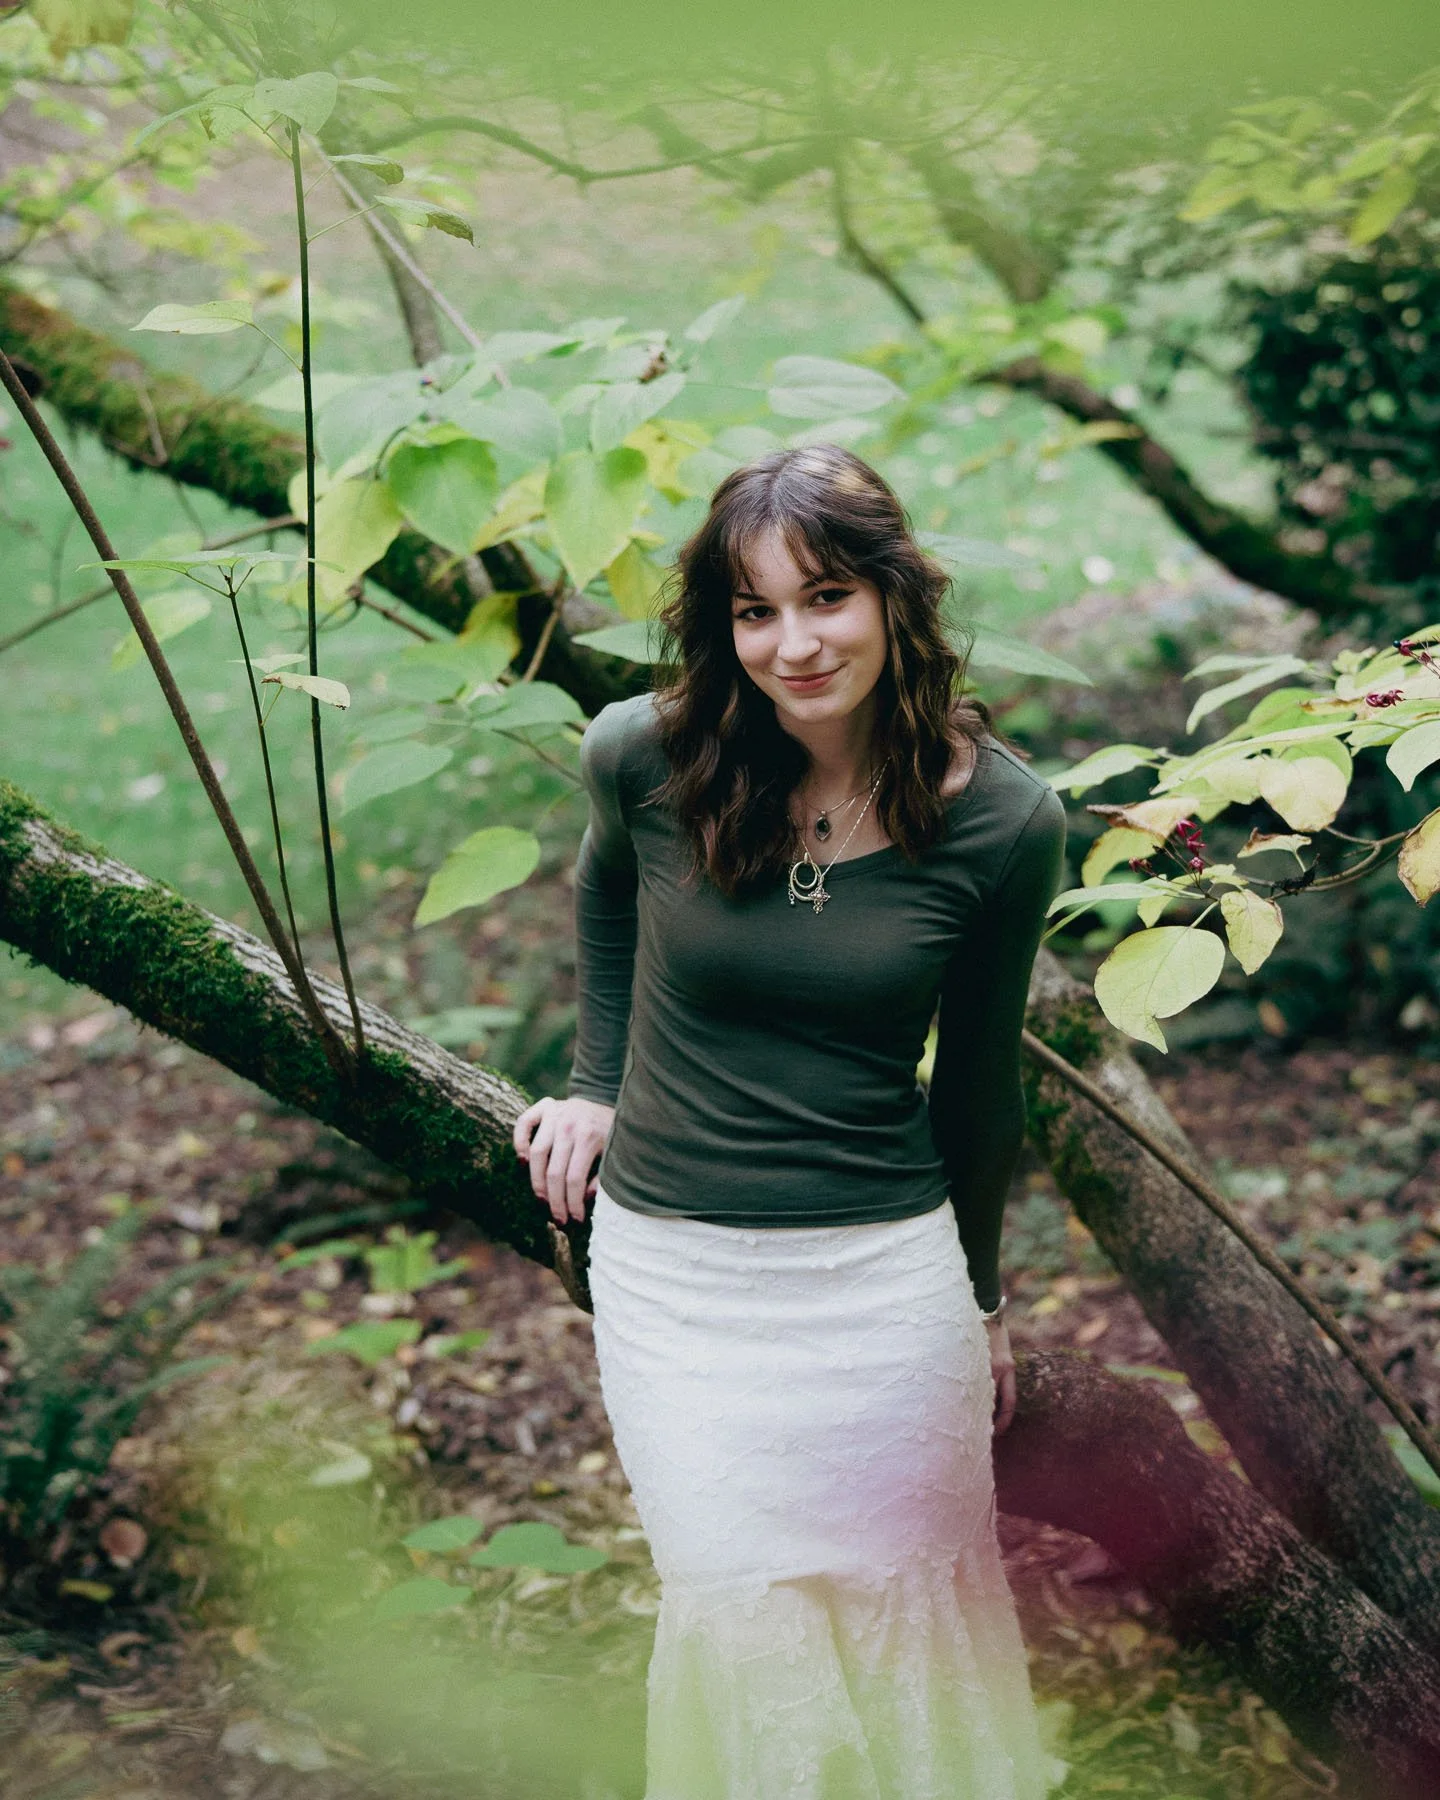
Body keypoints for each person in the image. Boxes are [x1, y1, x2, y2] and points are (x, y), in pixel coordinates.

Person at [514, 444, 1067, 1800]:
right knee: (741, 1617)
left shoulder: (1004, 819)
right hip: (678, 1287)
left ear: (893, 597)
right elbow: (604, 895)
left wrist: (982, 1302)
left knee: (913, 1633)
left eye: (826, 598)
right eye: (755, 612)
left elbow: (979, 1088)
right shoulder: (643, 756)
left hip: (885, 1288)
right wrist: (595, 1080)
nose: (795, 645)